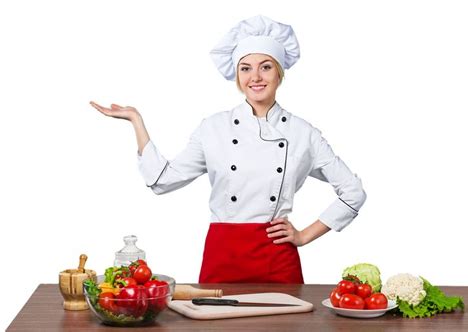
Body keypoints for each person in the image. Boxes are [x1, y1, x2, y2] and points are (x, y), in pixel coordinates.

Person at [90, 15, 366, 284]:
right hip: (222, 255)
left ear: (279, 72)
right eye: (245, 68)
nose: (255, 77)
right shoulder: (213, 128)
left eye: (266, 67)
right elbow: (161, 181)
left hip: (277, 258)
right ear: (236, 75)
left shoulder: (303, 133)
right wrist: (136, 121)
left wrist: (304, 235)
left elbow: (353, 192)